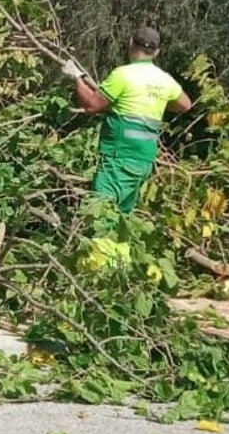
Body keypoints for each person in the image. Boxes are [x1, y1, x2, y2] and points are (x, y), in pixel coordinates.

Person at [62, 27, 192, 266]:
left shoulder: (123, 75)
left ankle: (99, 271)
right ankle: (119, 269)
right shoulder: (164, 79)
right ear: (157, 51)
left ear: (131, 43)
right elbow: (185, 104)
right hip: (143, 161)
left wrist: (76, 78)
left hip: (119, 157)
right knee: (122, 216)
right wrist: (159, 103)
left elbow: (91, 106)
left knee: (101, 214)